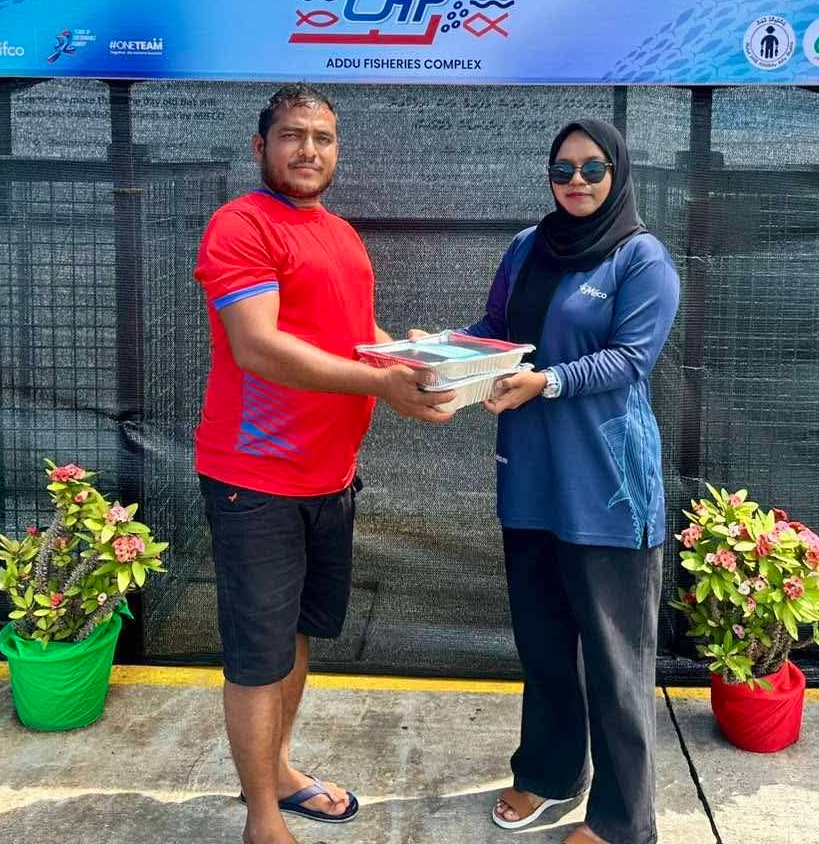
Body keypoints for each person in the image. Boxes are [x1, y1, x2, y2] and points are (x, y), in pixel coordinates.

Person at [193, 84, 454, 844]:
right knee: (257, 656)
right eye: (292, 135)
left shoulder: (340, 235)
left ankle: (277, 771)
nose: (308, 150)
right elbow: (257, 346)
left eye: (323, 137)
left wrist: (411, 358)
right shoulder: (240, 225)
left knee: (298, 637)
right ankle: (262, 821)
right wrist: (383, 383)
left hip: (330, 477)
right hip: (255, 480)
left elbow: (354, 336)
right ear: (261, 146)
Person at [450, 118, 680, 844]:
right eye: (562, 170)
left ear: (618, 172)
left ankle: (621, 821)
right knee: (544, 646)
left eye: (592, 168)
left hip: (609, 490)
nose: (576, 181)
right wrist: (439, 353)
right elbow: (496, 327)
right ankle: (550, 776)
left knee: (615, 665)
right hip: (530, 482)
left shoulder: (642, 258)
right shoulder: (527, 246)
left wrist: (544, 381)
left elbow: (630, 359)